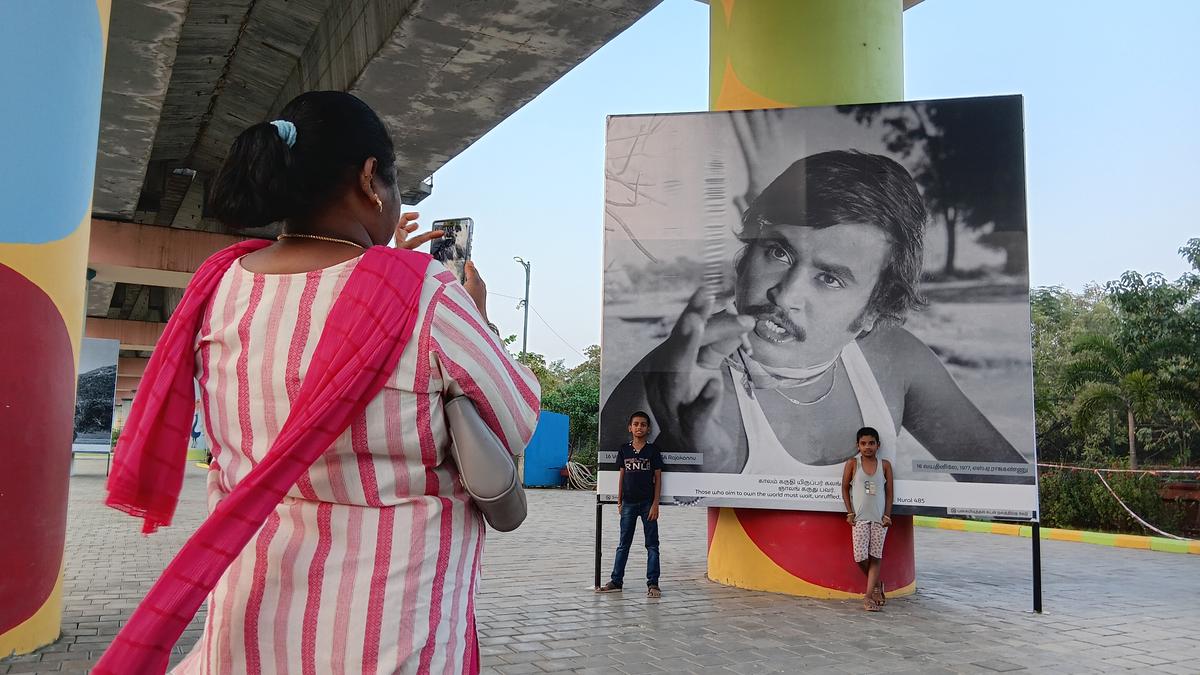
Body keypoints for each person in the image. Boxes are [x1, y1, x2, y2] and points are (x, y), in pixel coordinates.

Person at [98, 91, 540, 674]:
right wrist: (467, 311)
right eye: (396, 180)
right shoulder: (427, 291)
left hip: (249, 619)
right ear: (368, 179)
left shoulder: (218, 287)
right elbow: (515, 416)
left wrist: (387, 272)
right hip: (387, 633)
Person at [601, 150, 1030, 481]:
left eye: (830, 278)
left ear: (873, 312)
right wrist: (686, 462)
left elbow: (1004, 483)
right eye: (778, 251)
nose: (786, 295)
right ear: (743, 256)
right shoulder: (668, 380)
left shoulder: (892, 361)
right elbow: (612, 503)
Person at [597, 411, 665, 598]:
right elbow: (622, 476)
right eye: (635, 424)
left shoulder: (653, 450)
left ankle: (653, 584)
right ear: (630, 427)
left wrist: (655, 504)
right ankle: (616, 581)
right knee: (623, 544)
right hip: (628, 503)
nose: (639, 427)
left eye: (643, 424)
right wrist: (619, 501)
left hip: (647, 504)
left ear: (648, 428)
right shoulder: (624, 450)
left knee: (652, 545)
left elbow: (658, 478)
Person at [840, 426, 893, 612]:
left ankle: (869, 596)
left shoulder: (885, 465)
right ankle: (878, 584)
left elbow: (889, 493)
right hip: (860, 518)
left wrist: (887, 515)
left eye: (871, 443)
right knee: (860, 556)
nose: (867, 447)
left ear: (878, 445)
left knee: (875, 556)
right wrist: (850, 512)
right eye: (863, 443)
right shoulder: (853, 464)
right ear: (858, 445)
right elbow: (845, 488)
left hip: (879, 519)